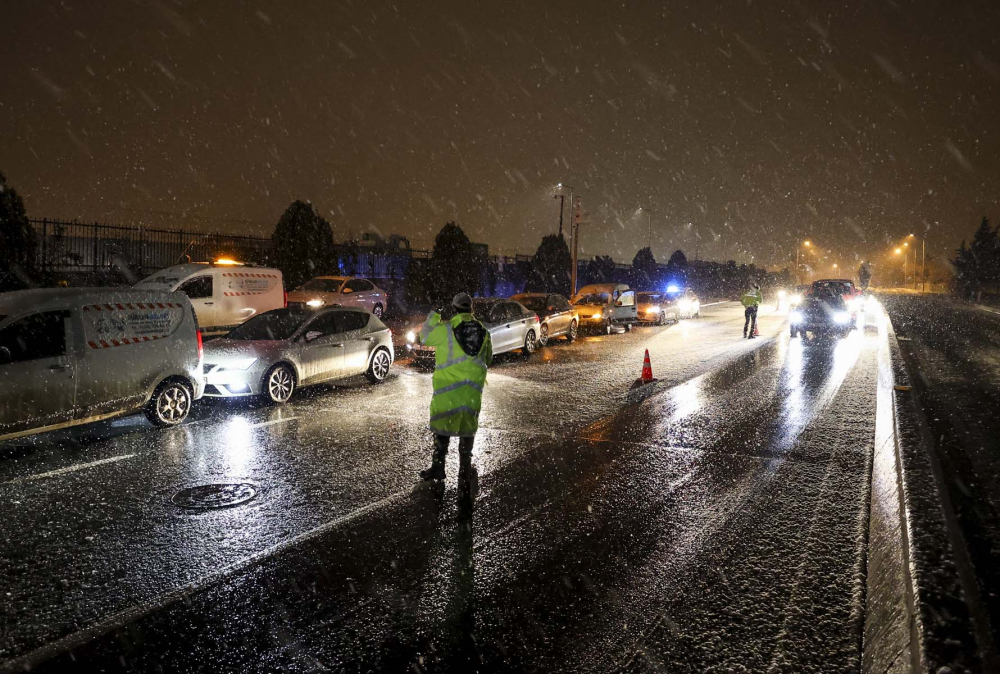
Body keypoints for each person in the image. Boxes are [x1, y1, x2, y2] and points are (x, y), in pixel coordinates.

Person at [417, 292, 493, 502]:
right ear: (471, 309)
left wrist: (434, 314)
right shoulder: (484, 332)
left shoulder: (446, 330)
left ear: (454, 309)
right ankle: (464, 472)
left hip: (447, 393)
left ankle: (438, 469)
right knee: (467, 435)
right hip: (470, 394)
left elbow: (424, 336)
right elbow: (488, 358)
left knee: (442, 434)